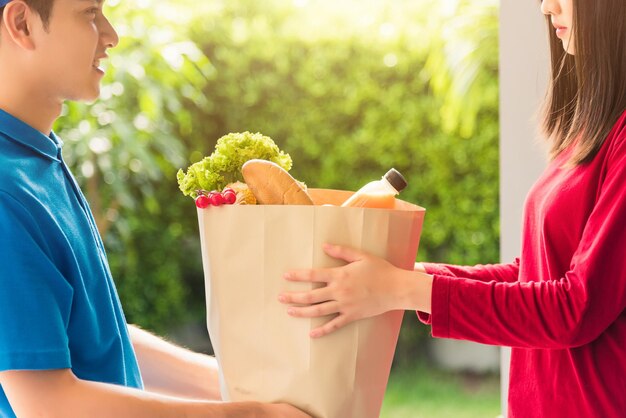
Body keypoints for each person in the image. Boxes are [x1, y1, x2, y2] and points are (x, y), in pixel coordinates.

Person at [279, 0, 626, 417]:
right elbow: (537, 274)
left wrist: (399, 288)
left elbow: (575, 308)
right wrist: (408, 275)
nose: (546, 7)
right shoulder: (596, 130)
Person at [0, 0, 309, 417]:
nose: (111, 35)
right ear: (22, 23)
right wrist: (251, 415)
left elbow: (93, 338)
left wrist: (237, 386)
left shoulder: (34, 157)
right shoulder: (6, 189)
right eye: (90, 14)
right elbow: (48, 404)